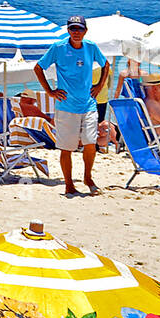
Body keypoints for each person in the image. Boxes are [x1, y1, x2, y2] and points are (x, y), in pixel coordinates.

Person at [34, 15, 109, 197]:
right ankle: (68, 184)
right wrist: (50, 91)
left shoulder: (91, 47)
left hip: (89, 104)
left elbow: (106, 64)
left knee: (91, 143)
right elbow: (38, 68)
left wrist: (99, 86)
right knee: (67, 148)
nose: (76, 32)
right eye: (73, 29)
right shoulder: (58, 48)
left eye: (80, 29)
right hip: (66, 106)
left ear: (85, 31)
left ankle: (87, 178)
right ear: (68, 30)